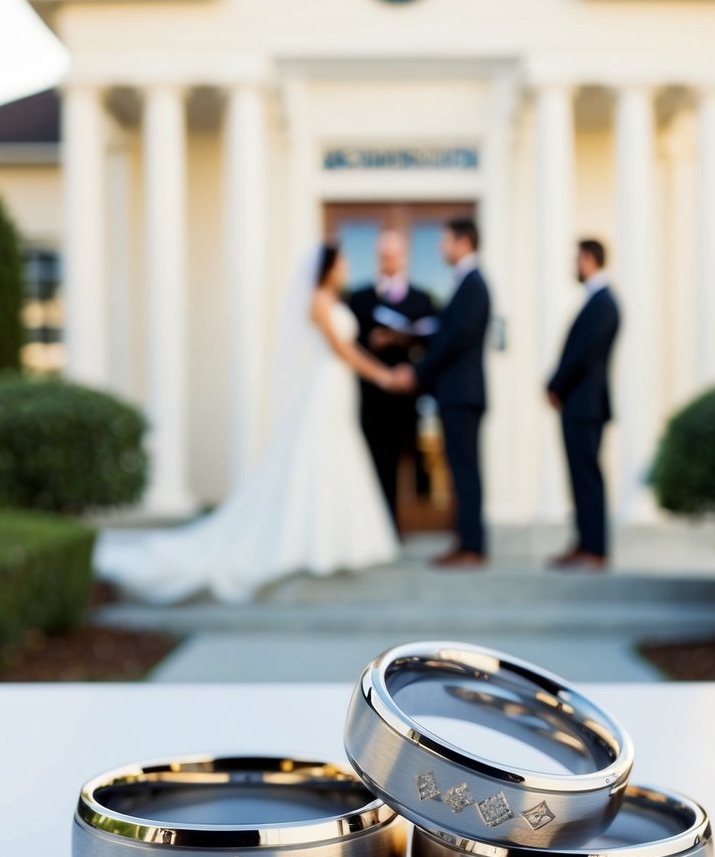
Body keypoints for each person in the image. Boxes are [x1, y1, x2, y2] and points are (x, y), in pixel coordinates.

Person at [94, 244, 400, 603]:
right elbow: (342, 349)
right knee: (318, 457)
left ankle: (343, 542)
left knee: (338, 455)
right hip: (327, 384)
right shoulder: (318, 301)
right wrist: (384, 376)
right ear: (328, 268)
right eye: (342, 262)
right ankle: (316, 545)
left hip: (340, 386)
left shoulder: (335, 300)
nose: (347, 267)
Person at [391, 218, 490, 567]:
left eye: (445, 241)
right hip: (456, 394)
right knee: (460, 470)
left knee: (465, 471)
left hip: (462, 394)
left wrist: (417, 371)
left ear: (464, 243)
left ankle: (472, 547)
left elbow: (454, 339)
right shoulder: (466, 284)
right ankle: (466, 543)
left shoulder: (474, 285)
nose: (440, 248)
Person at [349, 229, 435, 522]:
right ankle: (378, 525)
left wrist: (402, 344)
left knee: (412, 460)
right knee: (374, 461)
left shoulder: (422, 299)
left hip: (407, 396)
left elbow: (432, 342)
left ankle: (413, 517)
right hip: (370, 396)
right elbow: (348, 345)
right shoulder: (358, 299)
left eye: (394, 255)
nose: (389, 260)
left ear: (405, 257)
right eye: (383, 255)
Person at [546, 238, 620, 571]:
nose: (573, 265)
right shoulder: (595, 301)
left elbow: (583, 355)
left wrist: (555, 384)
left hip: (585, 405)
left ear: (589, 259)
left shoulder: (604, 303)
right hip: (579, 404)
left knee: (588, 477)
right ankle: (584, 543)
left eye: (576, 258)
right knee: (579, 477)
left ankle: (595, 548)